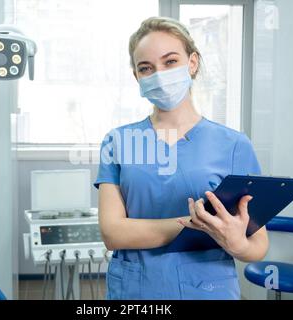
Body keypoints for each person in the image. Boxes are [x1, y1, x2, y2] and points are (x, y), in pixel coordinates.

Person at [94, 16, 269, 300]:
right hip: (137, 288)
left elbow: (258, 244)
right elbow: (113, 233)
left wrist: (237, 243)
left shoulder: (234, 144)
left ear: (192, 62)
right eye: (146, 68)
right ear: (137, 77)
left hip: (208, 288)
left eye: (170, 61)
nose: (159, 74)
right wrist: (199, 224)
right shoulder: (118, 141)